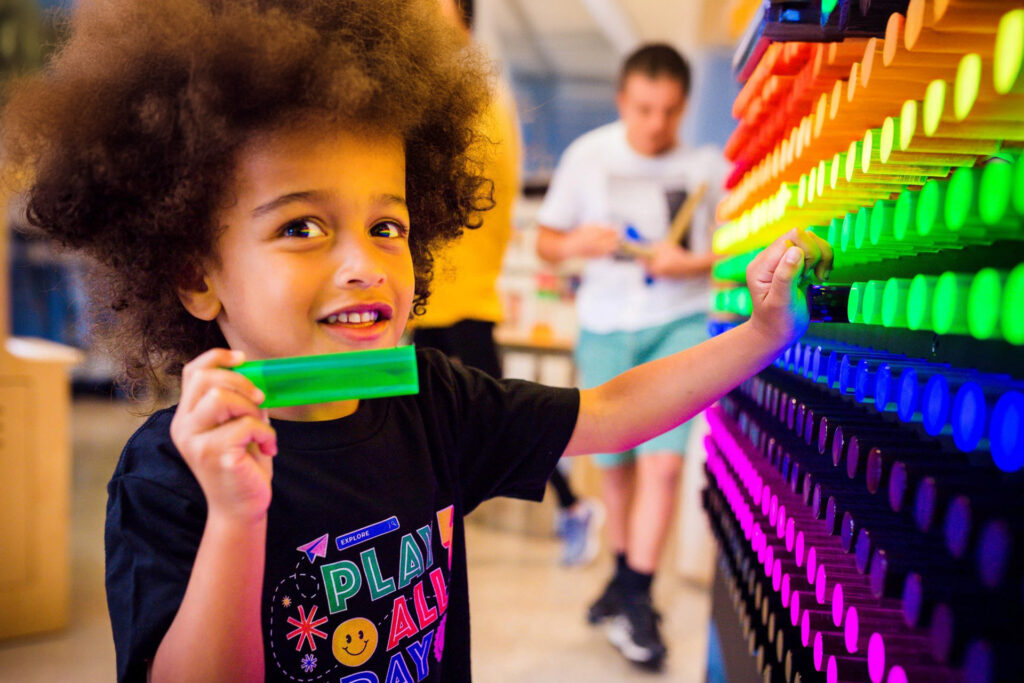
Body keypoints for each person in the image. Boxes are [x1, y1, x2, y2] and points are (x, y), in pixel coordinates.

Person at [0, 2, 831, 681]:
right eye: (301, 225)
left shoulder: (430, 398)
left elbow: (610, 411)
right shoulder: (168, 475)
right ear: (195, 275)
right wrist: (235, 516)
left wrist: (760, 334)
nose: (364, 262)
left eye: (387, 223)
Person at [535, 43, 730, 669]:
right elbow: (544, 244)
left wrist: (692, 262)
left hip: (677, 323)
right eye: (645, 109)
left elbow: (735, 252)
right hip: (604, 328)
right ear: (624, 101)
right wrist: (575, 243)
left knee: (665, 468)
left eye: (670, 111)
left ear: (684, 107)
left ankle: (637, 596)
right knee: (613, 468)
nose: (656, 124)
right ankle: (624, 581)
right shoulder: (587, 155)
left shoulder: (709, 165)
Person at [416, 0, 602, 567]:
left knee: (495, 420)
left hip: (458, 288)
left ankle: (573, 506)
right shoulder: (454, 87)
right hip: (435, 293)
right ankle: (435, 530)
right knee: (440, 423)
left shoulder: (467, 91)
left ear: (462, 19)